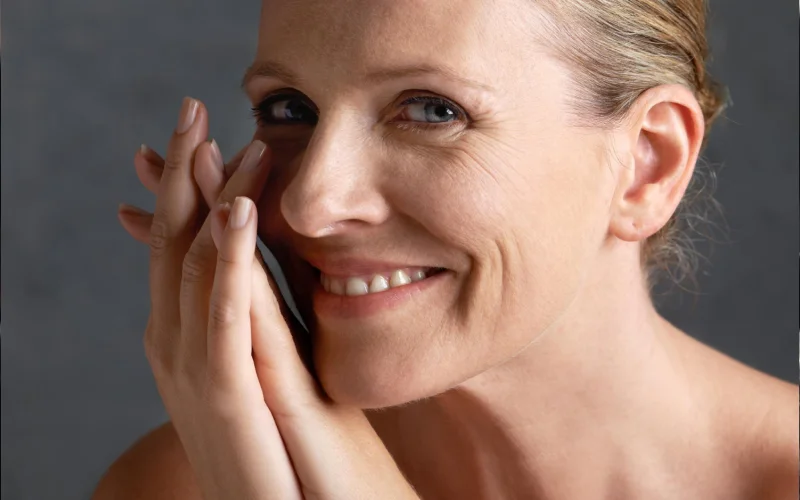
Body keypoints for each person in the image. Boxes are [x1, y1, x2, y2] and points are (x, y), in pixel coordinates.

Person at [93, 0, 798, 498]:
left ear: (647, 164)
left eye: (432, 110)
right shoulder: (179, 487)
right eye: (289, 109)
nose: (310, 201)